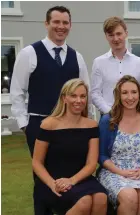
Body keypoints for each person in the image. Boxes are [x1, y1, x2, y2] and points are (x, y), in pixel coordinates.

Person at [9, 6, 91, 214]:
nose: (60, 27)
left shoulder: (77, 57)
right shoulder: (30, 53)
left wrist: (85, 124)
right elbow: (17, 91)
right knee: (42, 177)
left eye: (65, 23)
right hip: (39, 125)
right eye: (56, 22)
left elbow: (85, 94)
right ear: (46, 24)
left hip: (71, 127)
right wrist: (25, 125)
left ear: (70, 26)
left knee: (69, 173)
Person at [32, 79, 107, 215]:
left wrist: (72, 181)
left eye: (82, 96)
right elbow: (37, 162)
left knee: (101, 198)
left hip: (81, 178)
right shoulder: (48, 124)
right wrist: (52, 184)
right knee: (85, 201)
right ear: (64, 98)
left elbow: (91, 164)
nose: (78, 100)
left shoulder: (91, 125)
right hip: (53, 180)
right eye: (73, 95)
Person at [97, 75, 140, 215]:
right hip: (113, 171)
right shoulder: (108, 120)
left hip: (139, 171)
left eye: (134, 92)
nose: (130, 97)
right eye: (125, 93)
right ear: (118, 95)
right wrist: (120, 172)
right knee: (129, 197)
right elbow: (101, 155)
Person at [91, 16, 140, 115]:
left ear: (126, 34)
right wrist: (110, 113)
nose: (116, 38)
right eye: (111, 35)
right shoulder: (99, 62)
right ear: (106, 36)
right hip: (109, 119)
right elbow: (95, 94)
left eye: (119, 34)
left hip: (135, 119)